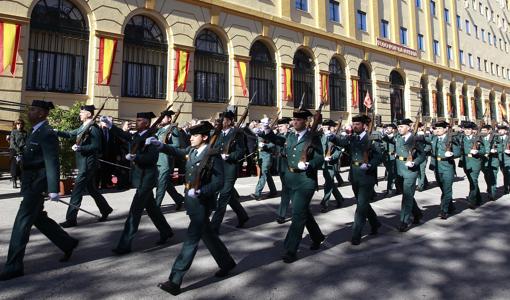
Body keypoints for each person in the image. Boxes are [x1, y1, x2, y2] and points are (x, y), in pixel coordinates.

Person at [148, 121, 236, 296]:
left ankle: (175, 280)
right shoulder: (192, 150)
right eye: (191, 135)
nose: (191, 138)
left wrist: (202, 191)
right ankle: (226, 263)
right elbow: (177, 151)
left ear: (204, 137)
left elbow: (219, 181)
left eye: (195, 135)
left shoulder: (212, 155)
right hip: (192, 202)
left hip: (202, 203)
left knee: (191, 240)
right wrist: (161, 146)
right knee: (208, 234)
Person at [0, 100, 79, 281]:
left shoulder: (47, 133)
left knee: (22, 222)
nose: (30, 112)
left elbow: (51, 161)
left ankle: (14, 265)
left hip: (37, 184)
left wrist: (53, 189)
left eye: (33, 109)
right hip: (30, 182)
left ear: (42, 113)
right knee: (38, 218)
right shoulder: (35, 131)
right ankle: (67, 243)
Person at [100, 112, 174, 255]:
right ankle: (166, 231)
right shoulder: (137, 135)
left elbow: (152, 159)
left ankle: (124, 245)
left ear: (147, 123)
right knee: (152, 208)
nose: (137, 121)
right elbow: (124, 135)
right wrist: (110, 126)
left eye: (140, 120)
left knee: (134, 213)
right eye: (137, 119)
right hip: (139, 178)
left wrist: (136, 157)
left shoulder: (151, 137)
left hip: (146, 179)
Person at [261, 109, 325, 263]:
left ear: (305, 122)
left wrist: (310, 164)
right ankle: (317, 236)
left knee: (297, 215)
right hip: (291, 179)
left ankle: (291, 249)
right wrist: (268, 130)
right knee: (303, 212)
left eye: (298, 120)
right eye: (293, 120)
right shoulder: (290, 136)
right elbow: (277, 140)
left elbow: (320, 158)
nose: (294, 122)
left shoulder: (313, 138)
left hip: (305, 180)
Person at [329, 114, 383, 245]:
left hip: (367, 175)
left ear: (364, 126)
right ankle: (375, 223)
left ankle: (356, 233)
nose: (354, 126)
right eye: (353, 124)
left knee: (360, 206)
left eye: (357, 124)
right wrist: (332, 137)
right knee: (362, 202)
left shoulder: (372, 138)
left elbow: (379, 156)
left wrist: (371, 164)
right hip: (354, 174)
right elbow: (341, 142)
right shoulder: (352, 138)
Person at [56, 105, 113, 227]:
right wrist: (56, 132)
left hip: (88, 163)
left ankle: (71, 218)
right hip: (83, 163)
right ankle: (106, 209)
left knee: (77, 191)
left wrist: (81, 147)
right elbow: (71, 134)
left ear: (89, 114)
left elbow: (97, 147)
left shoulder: (94, 129)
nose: (80, 114)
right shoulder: (84, 127)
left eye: (82, 112)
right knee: (92, 189)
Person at [210, 111, 249, 233]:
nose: (222, 122)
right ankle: (242, 216)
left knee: (223, 198)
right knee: (229, 196)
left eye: (225, 120)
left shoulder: (237, 134)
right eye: (221, 120)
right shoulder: (218, 133)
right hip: (218, 169)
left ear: (231, 121)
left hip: (230, 169)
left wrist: (230, 156)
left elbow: (241, 151)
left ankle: (214, 227)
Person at [385, 119, 425, 231]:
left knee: (406, 197)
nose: (399, 128)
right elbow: (386, 139)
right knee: (408, 195)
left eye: (402, 126)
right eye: (399, 127)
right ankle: (417, 213)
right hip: (399, 170)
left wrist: (414, 162)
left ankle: (404, 221)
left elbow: (422, 156)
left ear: (409, 127)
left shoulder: (415, 139)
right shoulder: (398, 137)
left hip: (410, 171)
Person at [426, 121, 460, 219]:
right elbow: (428, 147)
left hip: (447, 166)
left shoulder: (451, 138)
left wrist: (452, 154)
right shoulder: (434, 138)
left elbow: (458, 152)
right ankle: (451, 206)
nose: (438, 130)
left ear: (445, 129)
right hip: (437, 166)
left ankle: (444, 210)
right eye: (436, 129)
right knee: (443, 188)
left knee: (447, 189)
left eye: (440, 128)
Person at [154, 110, 185, 209]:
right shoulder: (160, 130)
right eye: (161, 117)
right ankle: (179, 199)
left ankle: (156, 206)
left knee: (161, 184)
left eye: (164, 117)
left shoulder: (173, 129)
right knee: (166, 183)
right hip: (157, 160)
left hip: (166, 161)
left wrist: (164, 145)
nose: (162, 119)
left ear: (169, 119)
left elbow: (177, 145)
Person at [458, 121, 484, 209]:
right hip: (465, 162)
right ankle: (479, 198)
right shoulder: (462, 138)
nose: (467, 131)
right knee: (472, 181)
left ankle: (472, 201)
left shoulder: (478, 138)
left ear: (472, 130)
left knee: (473, 181)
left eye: (469, 129)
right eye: (465, 129)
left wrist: (478, 152)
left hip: (475, 162)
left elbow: (484, 151)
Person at [320, 119, 344, 212]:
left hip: (331, 164)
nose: (324, 128)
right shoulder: (322, 136)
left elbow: (339, 150)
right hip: (324, 163)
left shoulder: (336, 137)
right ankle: (339, 199)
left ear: (331, 128)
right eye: (324, 127)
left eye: (326, 127)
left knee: (328, 184)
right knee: (330, 183)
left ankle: (325, 204)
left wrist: (332, 157)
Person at [251, 118, 277, 200]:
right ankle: (273, 191)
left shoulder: (270, 133)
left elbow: (274, 144)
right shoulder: (260, 132)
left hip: (267, 156)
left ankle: (257, 193)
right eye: (262, 123)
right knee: (267, 174)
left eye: (264, 123)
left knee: (263, 174)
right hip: (260, 156)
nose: (262, 124)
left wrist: (265, 146)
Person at [275, 117, 292, 224]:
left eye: (281, 126)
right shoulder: (278, 136)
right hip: (281, 167)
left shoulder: (291, 136)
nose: (279, 128)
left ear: (287, 126)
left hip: (289, 167)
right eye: (278, 126)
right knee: (286, 190)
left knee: (286, 191)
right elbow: (273, 145)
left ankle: (281, 214)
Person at [480, 124, 499, 201]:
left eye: (484, 130)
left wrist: (495, 150)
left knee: (493, 176)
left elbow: (500, 145)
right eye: (482, 130)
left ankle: (493, 194)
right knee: (486, 176)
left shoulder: (495, 137)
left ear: (489, 131)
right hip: (484, 161)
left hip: (493, 160)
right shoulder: (479, 138)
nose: (483, 132)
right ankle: (489, 189)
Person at [8, 119, 27, 188]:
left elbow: (26, 141)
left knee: (22, 166)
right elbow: (12, 142)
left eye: (21, 124)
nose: (19, 125)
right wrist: (18, 150)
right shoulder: (13, 132)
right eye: (18, 124)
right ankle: (14, 181)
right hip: (14, 150)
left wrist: (25, 148)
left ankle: (21, 181)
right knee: (14, 167)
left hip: (22, 151)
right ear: (16, 125)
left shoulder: (25, 132)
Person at [496, 124, 510, 194]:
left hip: (508, 159)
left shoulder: (509, 138)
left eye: (502, 130)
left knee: (507, 173)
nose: (500, 131)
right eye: (499, 130)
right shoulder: (496, 138)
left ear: (505, 131)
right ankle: (507, 187)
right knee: (505, 174)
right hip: (500, 159)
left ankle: (506, 188)